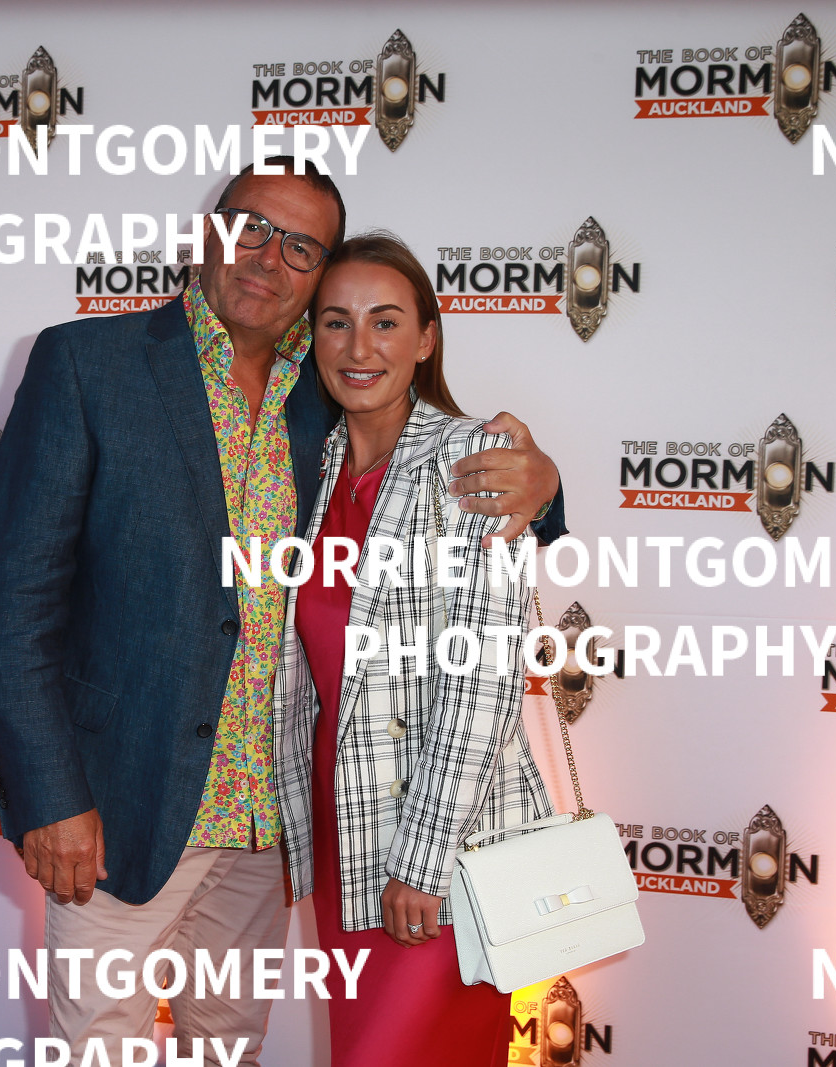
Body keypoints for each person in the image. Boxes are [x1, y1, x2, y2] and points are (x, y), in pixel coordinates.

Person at [0, 162, 565, 1062]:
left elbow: (454, 476)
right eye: (251, 226)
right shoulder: (87, 364)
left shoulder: (322, 395)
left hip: (270, 829)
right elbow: (14, 600)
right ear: (209, 231)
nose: (267, 257)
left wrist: (543, 486)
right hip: (121, 815)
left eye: (300, 247)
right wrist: (50, 797)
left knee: (231, 1048)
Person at [272, 233, 554, 1067]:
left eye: (386, 321)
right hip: (344, 829)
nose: (359, 347)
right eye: (336, 322)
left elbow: (484, 682)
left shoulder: (470, 460)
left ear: (427, 338)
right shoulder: (316, 463)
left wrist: (424, 861)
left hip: (439, 847)